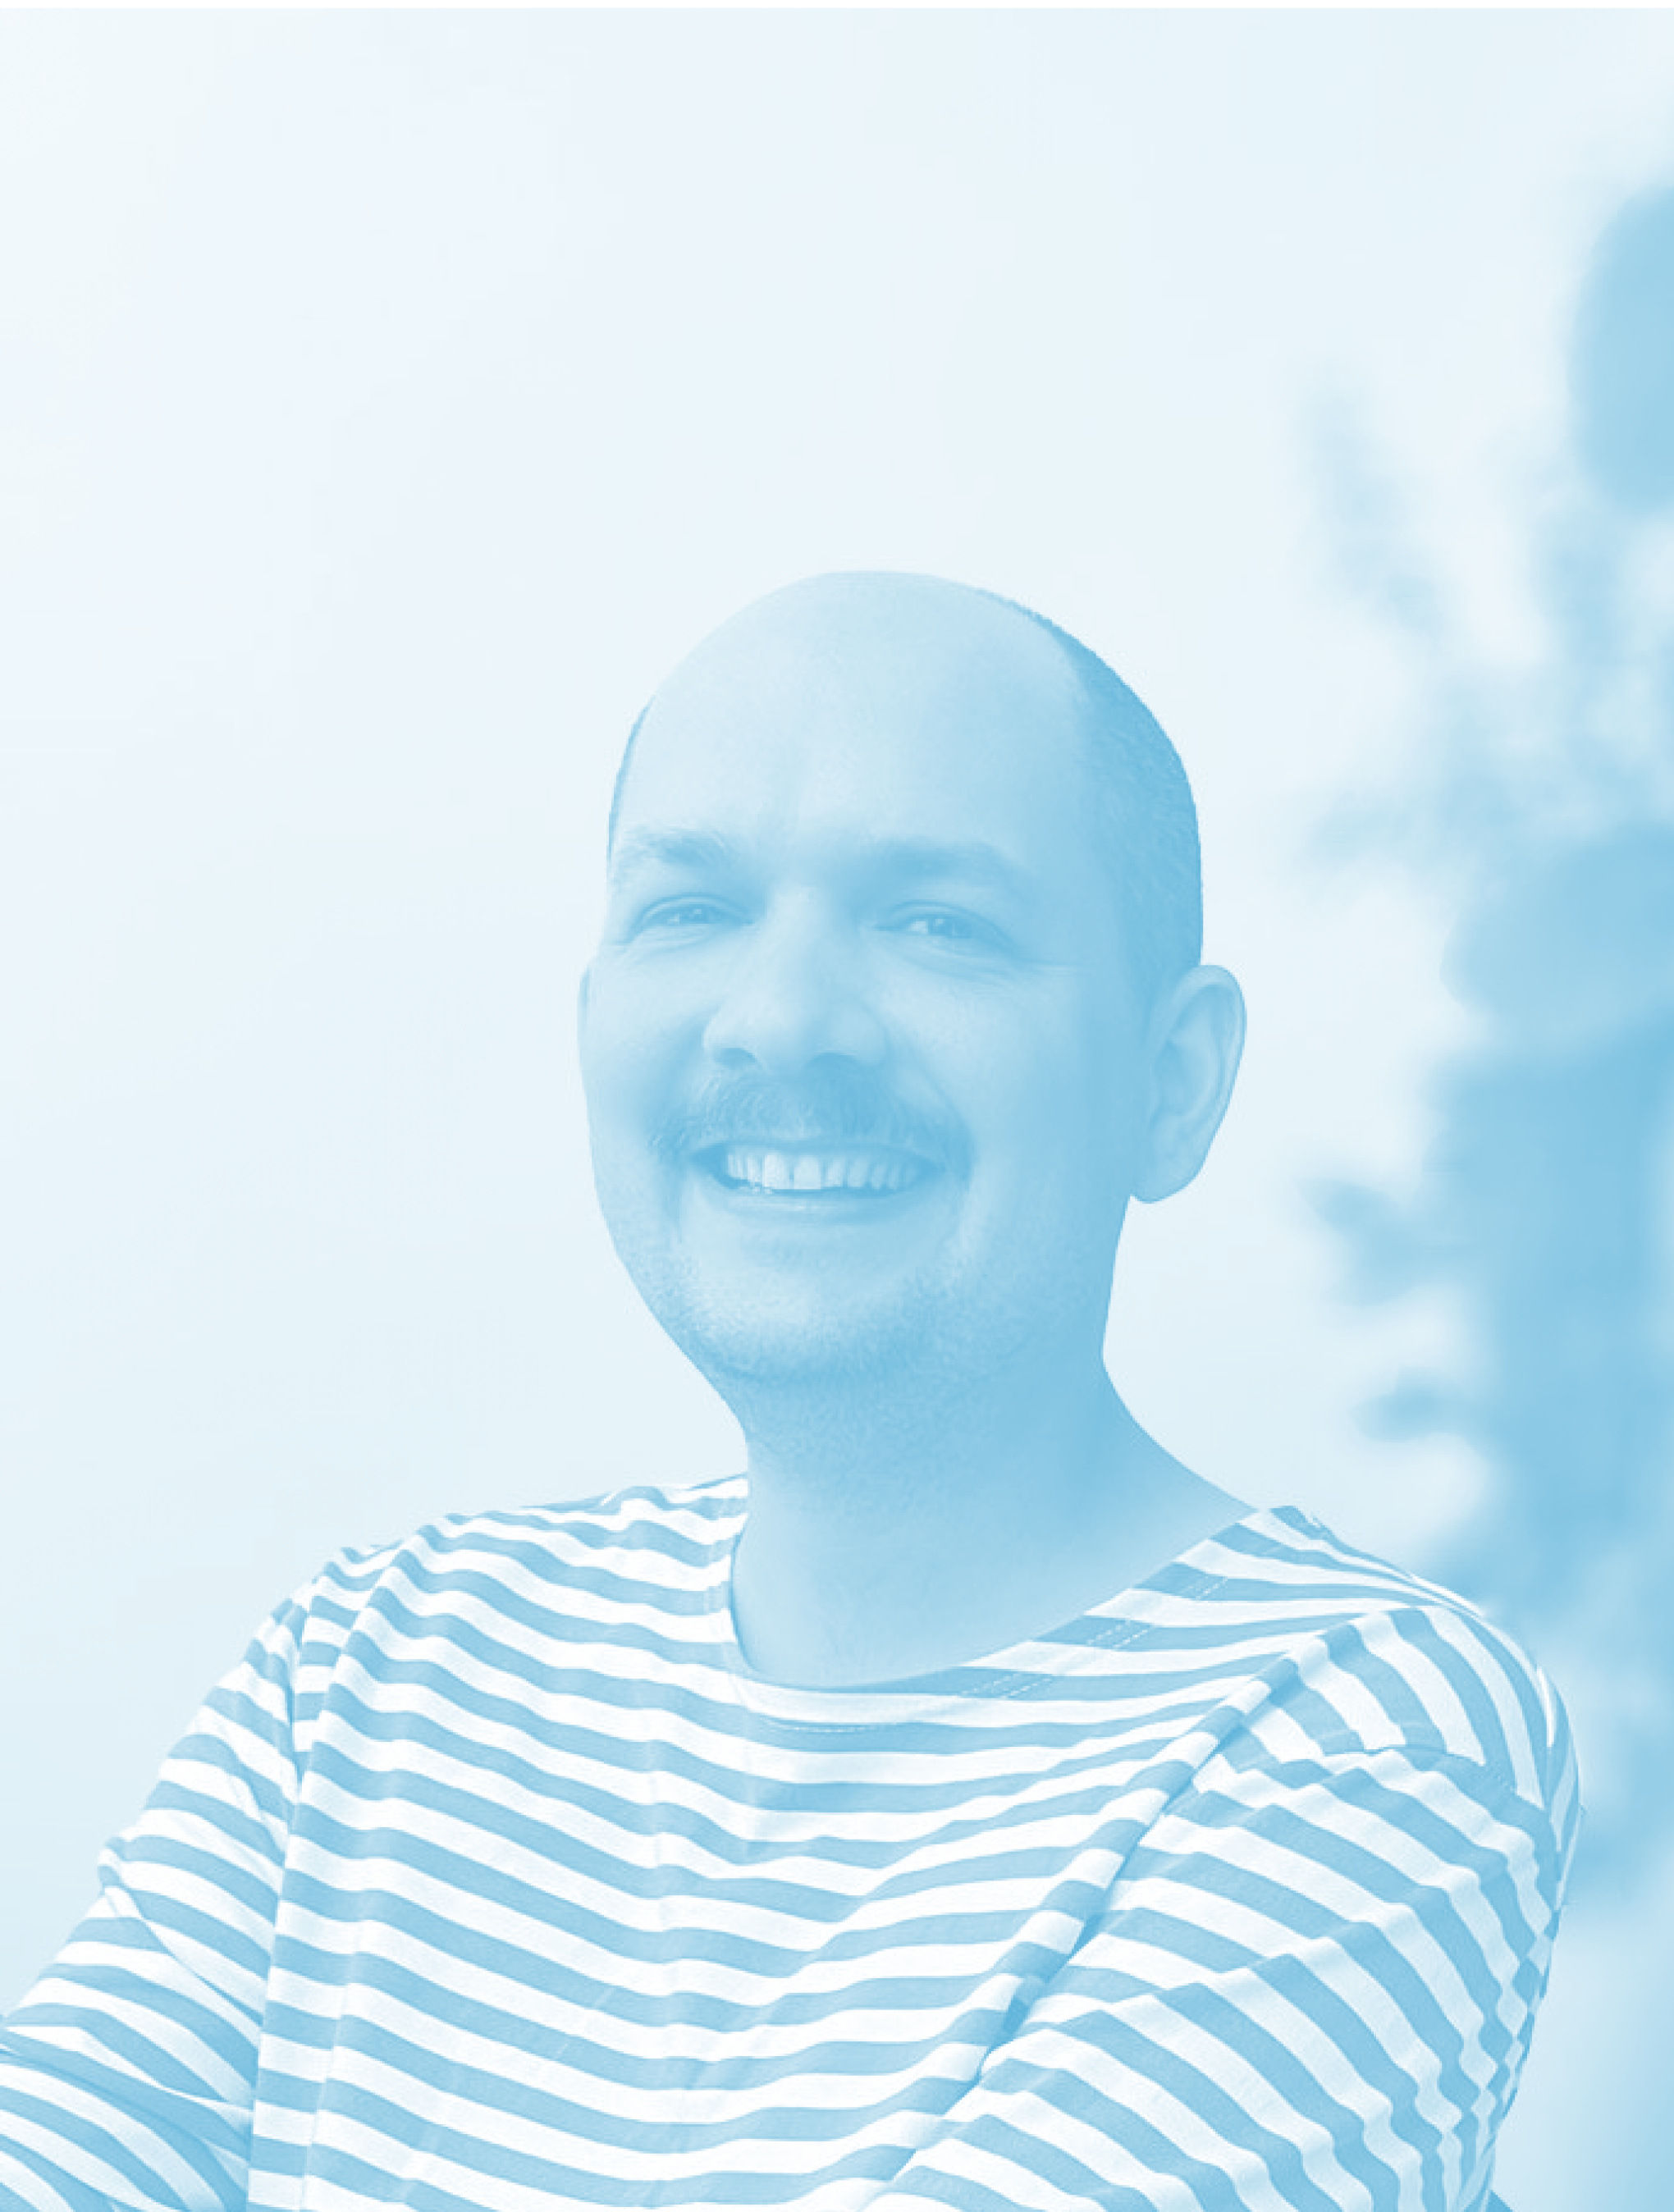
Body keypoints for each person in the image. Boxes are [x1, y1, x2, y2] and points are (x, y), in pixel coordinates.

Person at [0, 573, 1576, 2212]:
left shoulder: (1369, 1739)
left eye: (938, 922)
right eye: (691, 909)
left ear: (1169, 1082)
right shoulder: (371, 1670)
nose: (781, 1021)